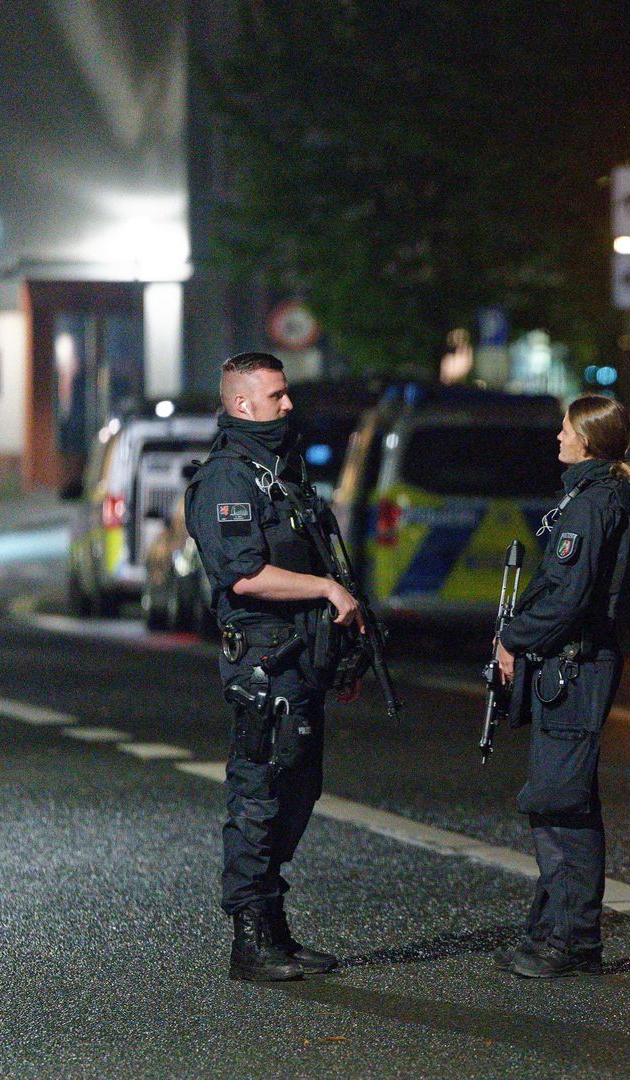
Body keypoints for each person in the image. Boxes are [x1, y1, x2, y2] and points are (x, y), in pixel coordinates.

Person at [185, 351, 360, 982]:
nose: (289, 404)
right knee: (259, 792)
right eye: (277, 395)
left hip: (298, 658)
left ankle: (275, 927)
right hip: (263, 663)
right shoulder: (229, 479)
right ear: (242, 404)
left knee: (297, 789)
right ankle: (250, 936)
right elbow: (245, 573)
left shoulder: (277, 472)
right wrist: (324, 589)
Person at [491, 395, 630, 978]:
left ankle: (568, 941)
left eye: (566, 430)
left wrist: (513, 638)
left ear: (588, 439)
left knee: (559, 800)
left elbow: (568, 597)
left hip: (575, 666)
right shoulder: (594, 494)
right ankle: (556, 931)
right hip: (572, 665)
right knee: (564, 797)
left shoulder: (594, 503)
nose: (558, 438)